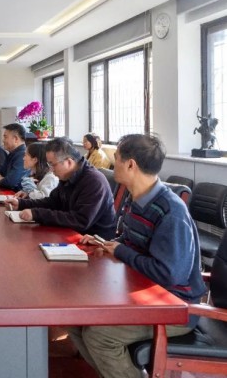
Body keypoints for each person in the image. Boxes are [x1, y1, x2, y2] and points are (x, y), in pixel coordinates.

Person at [69, 134, 206, 378]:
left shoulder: (171, 212)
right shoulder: (137, 198)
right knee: (75, 320)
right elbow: (132, 240)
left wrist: (120, 250)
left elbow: (169, 274)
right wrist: (108, 243)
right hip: (144, 293)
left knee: (100, 336)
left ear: (131, 164)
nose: (114, 163)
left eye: (117, 158)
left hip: (175, 307)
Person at [5, 137, 116, 240]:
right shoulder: (68, 175)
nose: (51, 170)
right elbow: (53, 202)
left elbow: (80, 220)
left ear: (69, 162)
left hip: (92, 241)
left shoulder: (94, 181)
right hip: (70, 232)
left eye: (53, 164)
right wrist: (21, 203)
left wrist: (36, 214)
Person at [0, 123, 30, 191]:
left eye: (5, 137)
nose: (3, 140)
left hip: (17, 194)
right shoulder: (12, 153)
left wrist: (0, 180)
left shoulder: (23, 155)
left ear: (15, 139)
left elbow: (11, 182)